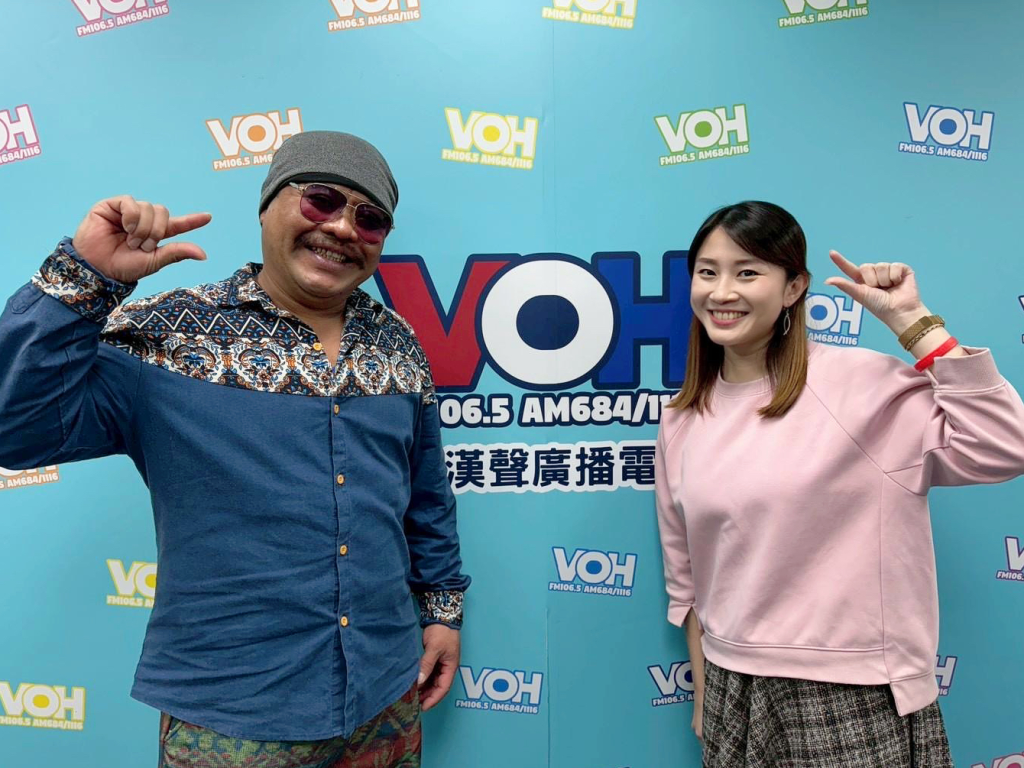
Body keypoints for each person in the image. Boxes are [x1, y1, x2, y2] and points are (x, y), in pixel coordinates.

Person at [0, 131, 469, 768]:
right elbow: (16, 429)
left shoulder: (398, 344)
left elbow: (426, 496)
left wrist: (442, 613)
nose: (342, 228)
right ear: (267, 206)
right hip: (231, 714)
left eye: (369, 218)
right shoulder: (167, 335)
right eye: (321, 200)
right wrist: (85, 279)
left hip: (385, 695)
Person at [654, 201, 1024, 767]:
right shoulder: (682, 418)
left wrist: (913, 321)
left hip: (851, 692)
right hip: (732, 689)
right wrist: (706, 693)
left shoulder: (860, 385)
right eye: (708, 272)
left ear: (793, 287)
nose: (722, 291)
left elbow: (1006, 446)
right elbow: (687, 578)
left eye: (747, 272)